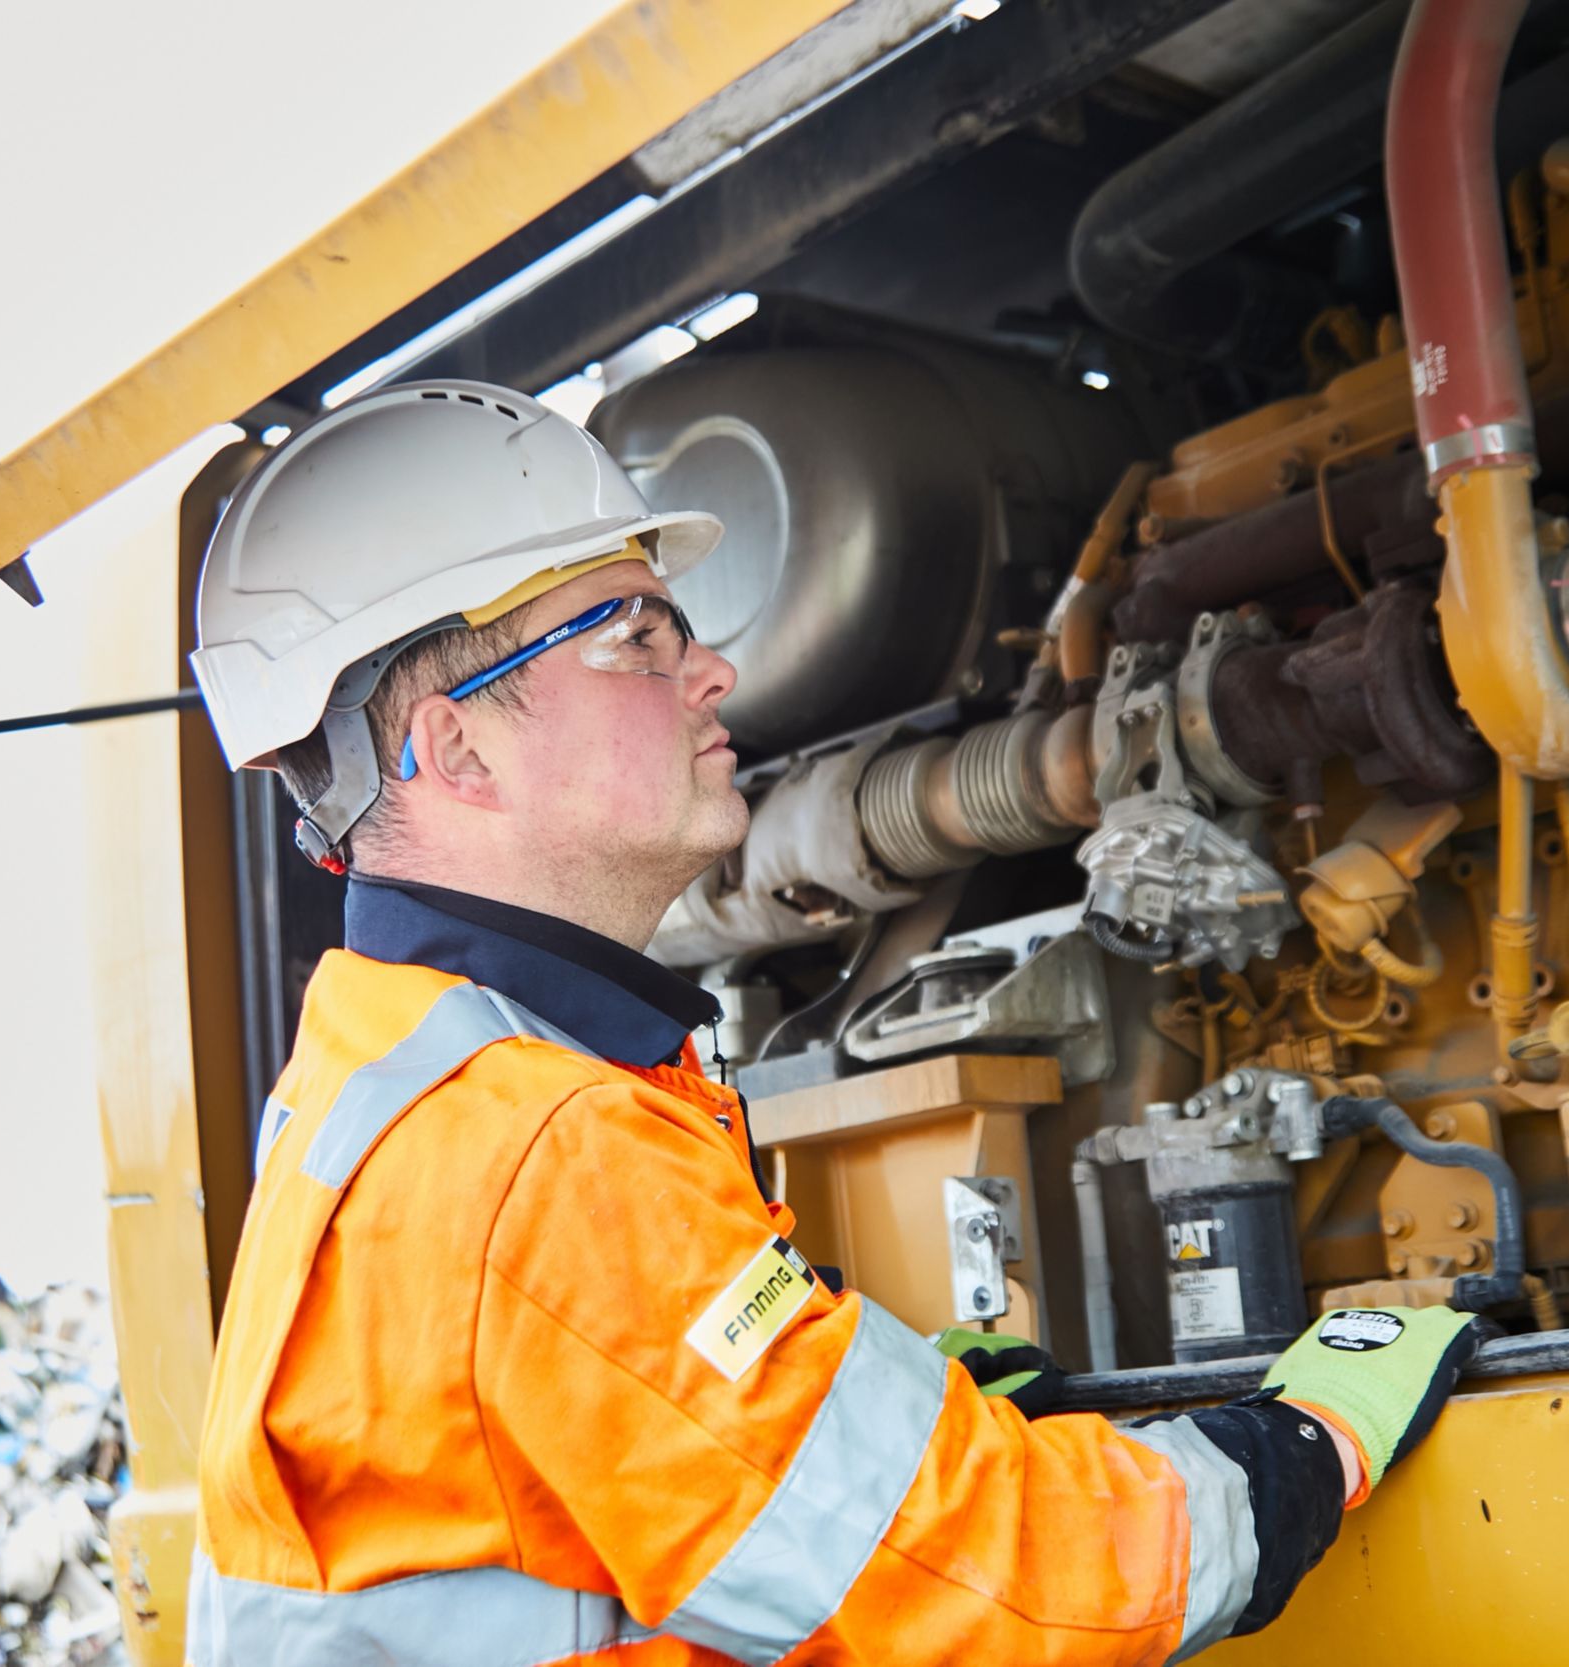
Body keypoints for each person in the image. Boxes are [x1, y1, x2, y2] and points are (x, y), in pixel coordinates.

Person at [184, 378, 1478, 1665]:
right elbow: (999, 1590)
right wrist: (1307, 1441)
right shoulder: (539, 1145)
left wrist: (893, 1401)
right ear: (455, 749)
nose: (714, 670)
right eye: (635, 636)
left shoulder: (399, 1070)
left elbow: (621, 1459)